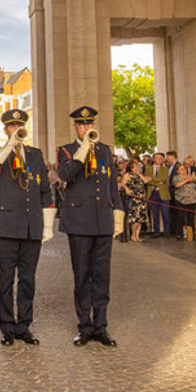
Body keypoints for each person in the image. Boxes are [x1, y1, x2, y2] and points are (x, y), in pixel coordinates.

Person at [0, 109, 53, 346]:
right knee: (6, 280)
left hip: (31, 227)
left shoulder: (35, 154)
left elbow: (44, 191)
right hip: (7, 228)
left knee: (27, 280)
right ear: (5, 130)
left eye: (20, 126)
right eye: (12, 126)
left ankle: (24, 326)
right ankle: (7, 327)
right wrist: (9, 146)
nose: (16, 129)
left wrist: (47, 224)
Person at [56, 106, 120, 347]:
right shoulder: (66, 150)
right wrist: (83, 148)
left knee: (102, 277)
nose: (86, 128)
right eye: (82, 124)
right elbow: (66, 174)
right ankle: (84, 327)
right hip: (79, 222)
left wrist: (118, 214)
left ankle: (101, 327)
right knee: (82, 276)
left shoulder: (104, 151)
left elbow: (112, 185)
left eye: (90, 124)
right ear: (75, 126)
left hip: (102, 221)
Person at [121, 159, 148, 242]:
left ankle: (137, 235)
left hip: (141, 197)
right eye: (135, 167)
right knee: (135, 218)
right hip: (134, 198)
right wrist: (127, 189)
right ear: (131, 168)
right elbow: (122, 183)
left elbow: (146, 181)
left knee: (141, 218)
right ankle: (133, 234)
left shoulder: (139, 175)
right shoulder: (127, 175)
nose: (136, 168)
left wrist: (139, 173)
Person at [171, 162, 196, 241]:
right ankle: (179, 234)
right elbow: (177, 185)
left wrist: (195, 179)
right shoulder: (176, 177)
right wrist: (188, 180)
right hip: (181, 199)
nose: (183, 171)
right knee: (180, 218)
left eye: (185, 169)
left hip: (192, 199)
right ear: (177, 171)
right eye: (181, 169)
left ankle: (192, 234)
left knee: (191, 218)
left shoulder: (191, 176)